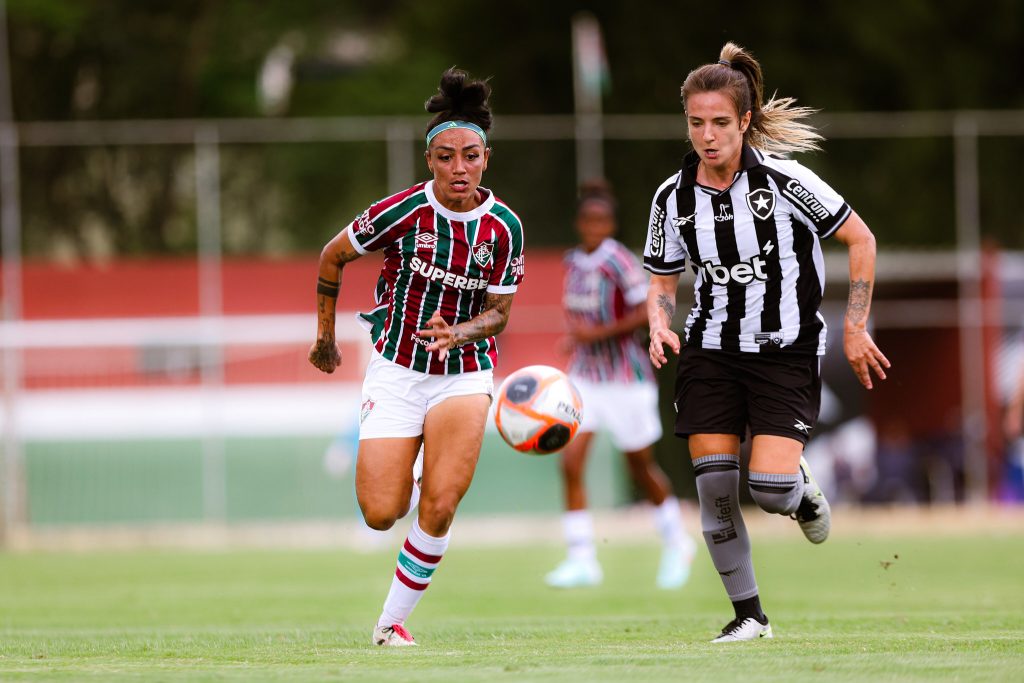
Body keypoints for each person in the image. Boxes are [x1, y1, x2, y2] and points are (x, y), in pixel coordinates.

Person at [643, 42, 890, 642]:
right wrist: (658, 321)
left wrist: (855, 326)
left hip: (785, 350)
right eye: (696, 123)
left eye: (721, 123)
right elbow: (662, 274)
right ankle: (749, 616)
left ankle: (799, 490)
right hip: (710, 353)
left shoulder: (785, 180)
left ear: (745, 121)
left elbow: (862, 240)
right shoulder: (671, 198)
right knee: (716, 491)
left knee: (770, 490)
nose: (708, 136)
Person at [308, 68, 525, 647]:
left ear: (486, 158)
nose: (460, 167)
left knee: (441, 502)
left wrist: (460, 332)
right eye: (447, 156)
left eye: (471, 156)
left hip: (465, 373)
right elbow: (332, 257)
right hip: (397, 369)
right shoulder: (401, 212)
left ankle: (389, 624)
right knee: (382, 512)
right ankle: (417, 470)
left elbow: (501, 312)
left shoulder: (504, 228)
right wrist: (326, 338)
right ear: (430, 160)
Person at [546, 179, 696, 590]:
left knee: (639, 466)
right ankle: (581, 558)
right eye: (588, 219)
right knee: (570, 461)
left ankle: (677, 542)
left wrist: (597, 335)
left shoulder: (619, 261)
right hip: (586, 379)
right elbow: (579, 317)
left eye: (602, 220)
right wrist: (576, 338)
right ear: (580, 222)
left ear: (610, 224)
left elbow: (642, 312)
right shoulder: (573, 261)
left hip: (626, 378)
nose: (594, 226)